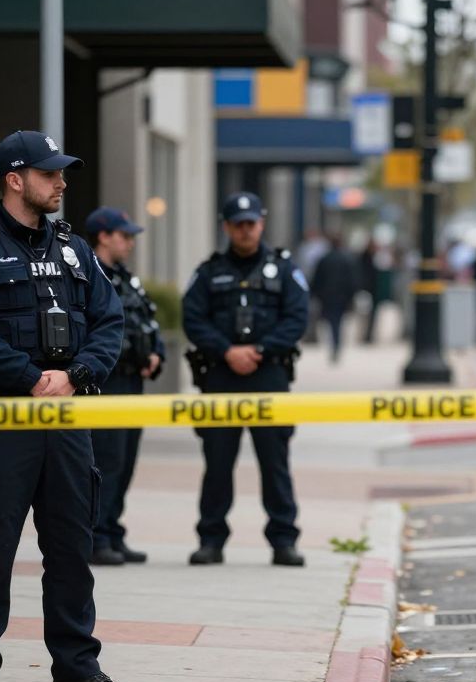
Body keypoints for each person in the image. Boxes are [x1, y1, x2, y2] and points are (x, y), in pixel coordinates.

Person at [0, 130, 136, 682]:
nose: (62, 182)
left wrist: (76, 375)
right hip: (4, 420)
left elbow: (109, 319)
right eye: (51, 174)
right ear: (15, 179)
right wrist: (28, 377)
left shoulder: (73, 249)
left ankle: (76, 670)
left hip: (67, 416)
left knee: (73, 547)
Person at [182, 191, 309, 567]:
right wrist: (227, 351)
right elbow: (193, 319)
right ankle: (211, 539)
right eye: (237, 224)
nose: (245, 230)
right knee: (217, 462)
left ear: (262, 223)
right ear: (226, 226)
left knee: (275, 462)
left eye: (250, 223)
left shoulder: (284, 269)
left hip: (269, 374)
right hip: (221, 375)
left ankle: (284, 540)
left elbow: (297, 317)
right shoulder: (208, 272)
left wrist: (260, 351)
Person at [82, 207, 165, 566]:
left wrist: (156, 353)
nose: (130, 243)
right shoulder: (86, 274)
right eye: (124, 236)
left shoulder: (126, 278)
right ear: (104, 236)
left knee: (126, 461)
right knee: (107, 462)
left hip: (133, 381)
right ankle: (96, 537)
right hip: (108, 382)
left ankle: (113, 532)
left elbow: (147, 321)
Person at [311, 233, 358, 363]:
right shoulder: (347, 259)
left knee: (332, 322)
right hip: (341, 296)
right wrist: (352, 296)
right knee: (338, 322)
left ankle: (335, 344)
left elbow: (317, 279)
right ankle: (336, 344)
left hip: (328, 296)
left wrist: (315, 294)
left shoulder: (324, 259)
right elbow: (353, 280)